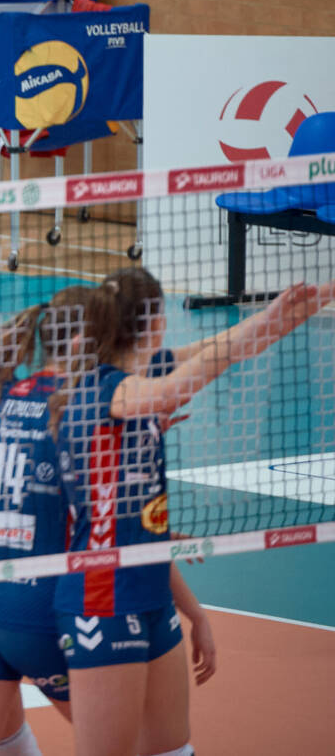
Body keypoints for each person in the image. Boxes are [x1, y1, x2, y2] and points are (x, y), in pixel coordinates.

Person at [53, 268, 330, 756]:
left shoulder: (147, 372)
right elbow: (177, 389)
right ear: (155, 321)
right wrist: (241, 340)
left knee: (173, 749)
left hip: (151, 590)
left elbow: (223, 346)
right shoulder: (103, 388)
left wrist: (277, 318)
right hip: (102, 600)